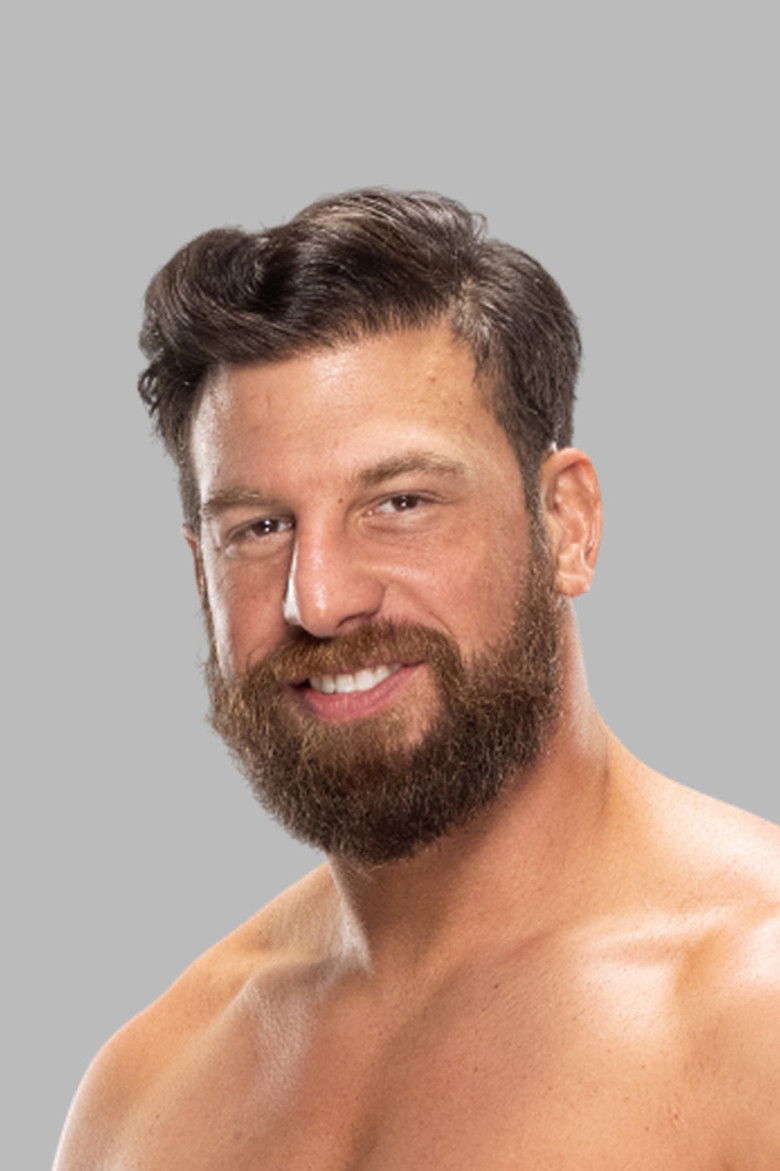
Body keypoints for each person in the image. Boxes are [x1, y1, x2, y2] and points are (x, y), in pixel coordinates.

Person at [54, 189, 780, 1170]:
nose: (319, 598)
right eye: (259, 527)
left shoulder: (755, 1013)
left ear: (567, 524)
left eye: (400, 502)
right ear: (199, 574)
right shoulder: (147, 1096)